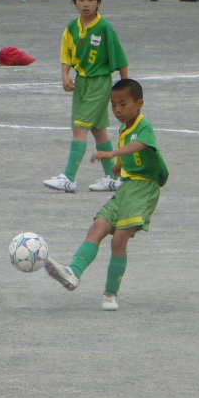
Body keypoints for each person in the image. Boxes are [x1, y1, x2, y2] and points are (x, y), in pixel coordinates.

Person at [45, 79, 169, 311]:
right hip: (127, 188)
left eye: (123, 104)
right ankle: (73, 272)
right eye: (113, 105)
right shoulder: (123, 129)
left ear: (139, 104)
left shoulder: (144, 126)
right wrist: (120, 164)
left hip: (143, 189)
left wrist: (112, 154)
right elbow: (128, 147)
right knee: (98, 226)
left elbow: (141, 145)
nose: (117, 110)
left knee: (119, 240)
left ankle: (110, 294)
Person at [43, 0, 129, 194]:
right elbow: (66, 54)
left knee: (79, 128)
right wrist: (65, 75)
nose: (86, 4)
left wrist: (125, 87)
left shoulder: (104, 27)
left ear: (99, 2)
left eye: (91, 0)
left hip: (99, 82)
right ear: (74, 2)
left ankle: (69, 178)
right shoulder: (72, 27)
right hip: (82, 82)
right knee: (99, 131)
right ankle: (113, 177)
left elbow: (120, 59)